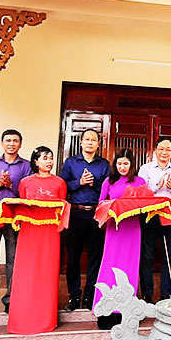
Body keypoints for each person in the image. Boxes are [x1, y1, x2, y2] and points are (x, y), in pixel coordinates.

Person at [7, 146, 67, 334]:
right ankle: (21, 319)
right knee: (26, 271)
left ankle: (45, 319)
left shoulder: (59, 182)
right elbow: (24, 205)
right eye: (44, 158)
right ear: (35, 161)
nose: (48, 161)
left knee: (47, 271)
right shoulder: (25, 182)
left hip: (50, 232)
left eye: (50, 158)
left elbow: (62, 207)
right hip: (29, 231)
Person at [93, 149, 146, 329]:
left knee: (130, 266)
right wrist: (113, 206)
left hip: (132, 229)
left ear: (131, 164)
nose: (122, 167)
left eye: (126, 164)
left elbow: (146, 204)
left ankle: (127, 311)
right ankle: (106, 311)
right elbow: (100, 204)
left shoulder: (140, 182)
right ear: (115, 165)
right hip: (114, 229)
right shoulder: (109, 182)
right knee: (110, 264)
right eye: (119, 164)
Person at [0, 129, 32, 315]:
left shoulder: (26, 166)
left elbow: (28, 192)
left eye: (15, 141)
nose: (11, 143)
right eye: (8, 140)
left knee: (14, 258)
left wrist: (12, 186)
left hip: (14, 215)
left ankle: (11, 299)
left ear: (20, 144)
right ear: (2, 143)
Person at [59, 128, 110, 311]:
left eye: (93, 140)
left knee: (95, 256)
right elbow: (62, 186)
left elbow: (108, 189)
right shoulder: (71, 162)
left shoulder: (104, 164)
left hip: (96, 213)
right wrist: (79, 182)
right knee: (73, 256)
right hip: (76, 213)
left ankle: (90, 294)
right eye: (86, 139)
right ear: (81, 142)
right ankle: (74, 295)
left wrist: (93, 183)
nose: (89, 142)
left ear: (98, 144)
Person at [138, 138, 171, 303]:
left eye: (168, 149)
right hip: (149, 215)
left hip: (169, 215)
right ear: (155, 151)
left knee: (168, 255)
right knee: (147, 256)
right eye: (161, 149)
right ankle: (147, 294)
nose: (164, 152)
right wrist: (158, 186)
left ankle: (167, 293)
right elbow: (141, 192)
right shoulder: (146, 169)